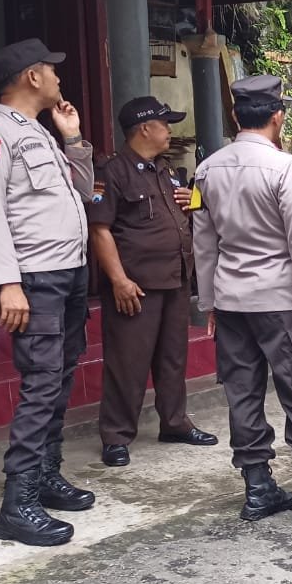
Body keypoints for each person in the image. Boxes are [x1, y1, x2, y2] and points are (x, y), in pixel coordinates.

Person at [192, 75, 292, 528]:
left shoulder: (207, 171)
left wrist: (209, 302)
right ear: (278, 117)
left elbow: (203, 243)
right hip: (280, 300)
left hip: (231, 301)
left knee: (242, 393)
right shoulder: (284, 169)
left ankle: (258, 488)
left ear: (235, 116)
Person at [0, 38, 96, 547]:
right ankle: (16, 506)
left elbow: (82, 193)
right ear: (31, 77)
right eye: (52, 69)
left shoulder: (39, 131)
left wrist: (74, 138)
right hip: (35, 278)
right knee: (41, 383)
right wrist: (8, 283)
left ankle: (45, 475)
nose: (59, 78)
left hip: (69, 272)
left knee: (60, 376)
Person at [88, 97, 217, 469]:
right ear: (145, 128)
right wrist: (118, 280)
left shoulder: (166, 169)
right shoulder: (112, 171)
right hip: (137, 284)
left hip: (175, 277)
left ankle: (174, 422)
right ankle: (116, 435)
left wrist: (195, 200)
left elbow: (179, 210)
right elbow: (99, 230)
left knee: (173, 358)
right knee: (127, 362)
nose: (170, 131)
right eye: (165, 124)